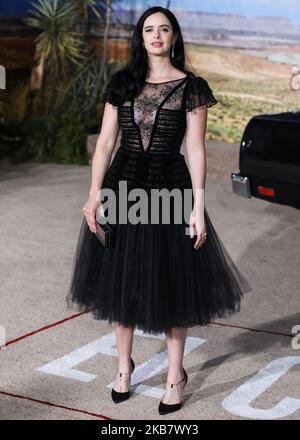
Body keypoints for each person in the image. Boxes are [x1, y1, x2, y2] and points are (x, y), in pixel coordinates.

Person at [66, 6, 253, 415]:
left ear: (174, 37)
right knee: (121, 279)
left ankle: (174, 376)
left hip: (171, 189)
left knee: (172, 283)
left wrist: (198, 208)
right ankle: (123, 369)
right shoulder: (122, 83)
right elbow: (104, 144)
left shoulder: (192, 87)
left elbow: (196, 150)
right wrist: (95, 192)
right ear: (141, 37)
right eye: (148, 29)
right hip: (123, 186)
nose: (156, 35)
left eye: (163, 29)